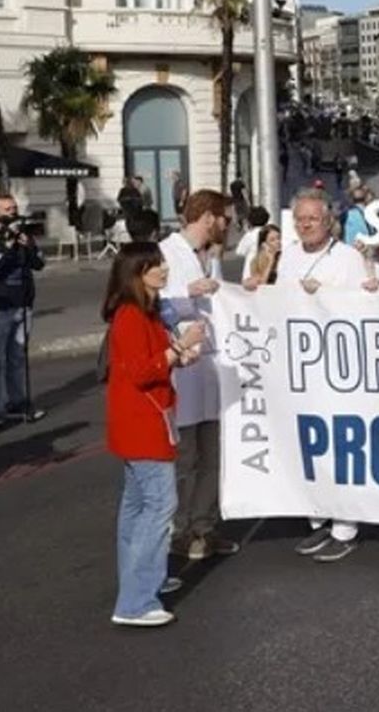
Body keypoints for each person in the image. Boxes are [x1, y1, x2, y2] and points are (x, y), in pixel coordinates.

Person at [103, 241, 205, 627]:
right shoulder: (131, 315)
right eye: (155, 266)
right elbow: (141, 371)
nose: (163, 270)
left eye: (161, 264)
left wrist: (179, 353)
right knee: (160, 506)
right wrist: (181, 346)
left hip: (142, 418)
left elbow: (157, 359)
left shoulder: (145, 313)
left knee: (137, 507)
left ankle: (144, 580)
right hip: (144, 421)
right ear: (136, 274)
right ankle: (136, 600)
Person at [279, 189, 375, 563]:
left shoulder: (348, 258)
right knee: (308, 440)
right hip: (300, 365)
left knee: (340, 443)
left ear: (327, 221)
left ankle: (345, 525)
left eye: (312, 219)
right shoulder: (287, 256)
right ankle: (317, 518)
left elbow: (364, 306)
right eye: (299, 219)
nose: (305, 225)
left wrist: (327, 295)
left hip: (338, 365)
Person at [160, 190, 236, 562]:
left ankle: (205, 527)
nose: (227, 225)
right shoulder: (166, 252)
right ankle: (177, 528)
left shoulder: (210, 257)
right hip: (184, 365)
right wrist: (187, 290)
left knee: (212, 454)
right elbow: (147, 302)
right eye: (225, 219)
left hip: (211, 364)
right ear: (208, 217)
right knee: (184, 456)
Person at [0, 192, 45, 426]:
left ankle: (18, 401)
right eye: (7, 209)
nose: (12, 213)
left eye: (14, 208)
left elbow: (39, 264)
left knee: (18, 357)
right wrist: (6, 247)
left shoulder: (22, 233)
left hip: (23, 304)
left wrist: (28, 247)